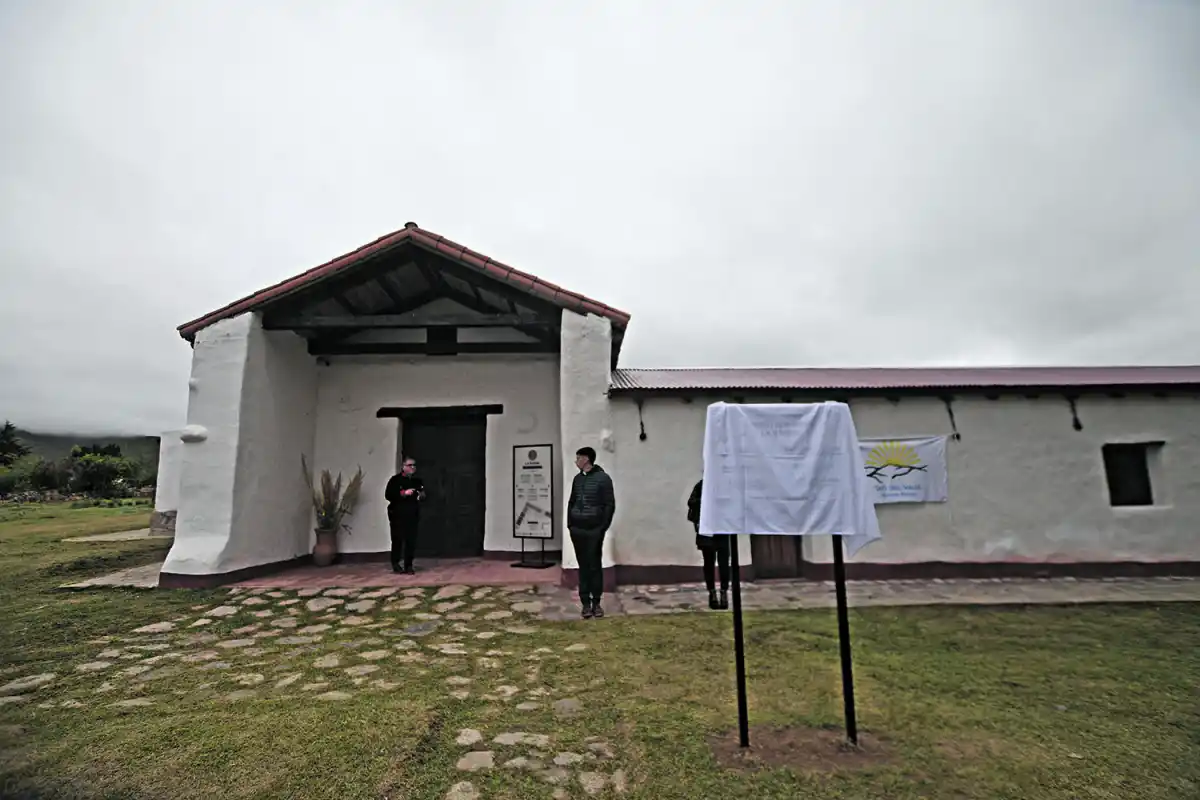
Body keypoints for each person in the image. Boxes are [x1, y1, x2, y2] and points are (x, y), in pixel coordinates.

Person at [567, 446, 616, 619]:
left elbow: (609, 504)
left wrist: (602, 528)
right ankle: (585, 603)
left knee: (594, 566)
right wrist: (570, 524)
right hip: (577, 529)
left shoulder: (603, 479)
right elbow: (572, 501)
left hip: (594, 530)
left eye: (578, 457)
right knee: (583, 567)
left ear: (586, 459)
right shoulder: (577, 479)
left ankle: (596, 602)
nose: (576, 461)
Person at [688, 478, 730, 610]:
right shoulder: (701, 485)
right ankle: (712, 593)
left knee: (724, 562)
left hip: (722, 529)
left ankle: (724, 592)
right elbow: (691, 502)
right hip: (707, 530)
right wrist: (706, 501)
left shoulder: (724, 485)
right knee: (709, 562)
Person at [384, 456, 426, 574]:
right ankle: (396, 563)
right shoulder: (395, 480)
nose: (412, 468)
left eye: (414, 465)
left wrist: (421, 495)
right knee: (397, 539)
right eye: (410, 465)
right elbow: (388, 495)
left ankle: (409, 565)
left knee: (411, 540)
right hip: (397, 515)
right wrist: (403, 493)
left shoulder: (417, 481)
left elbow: (423, 495)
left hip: (412, 515)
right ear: (403, 467)